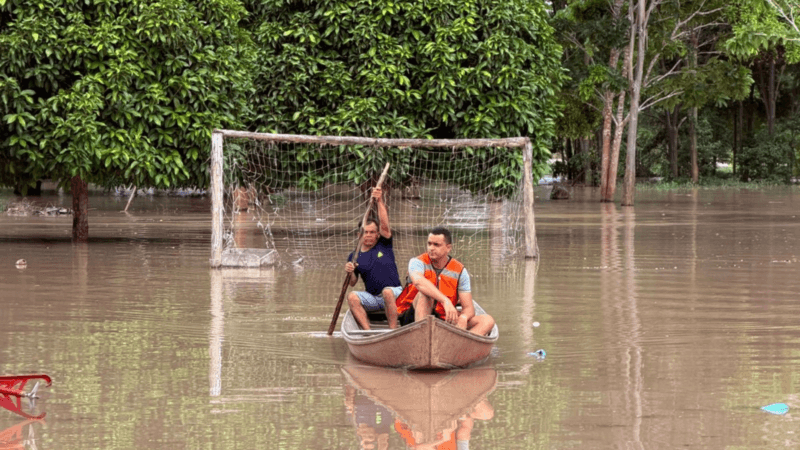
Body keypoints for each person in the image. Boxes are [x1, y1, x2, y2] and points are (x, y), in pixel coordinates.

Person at [395, 227, 494, 336]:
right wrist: (445, 301)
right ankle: (422, 338)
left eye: (436, 245)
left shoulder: (460, 271)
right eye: (429, 244)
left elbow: (469, 308)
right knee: (425, 295)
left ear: (448, 248)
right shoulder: (416, 262)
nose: (431, 248)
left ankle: (457, 345)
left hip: (442, 317)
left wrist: (464, 317)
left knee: (487, 320)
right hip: (412, 318)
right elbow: (419, 283)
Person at [345, 186, 402, 329]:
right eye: (366, 232)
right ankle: (367, 331)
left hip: (395, 293)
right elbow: (352, 282)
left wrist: (379, 201)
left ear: (377, 234)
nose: (369, 235)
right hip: (374, 298)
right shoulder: (354, 255)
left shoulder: (384, 244)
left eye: (372, 232)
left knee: (387, 292)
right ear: (359, 235)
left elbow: (385, 225)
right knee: (352, 296)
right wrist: (349, 270)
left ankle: (393, 330)